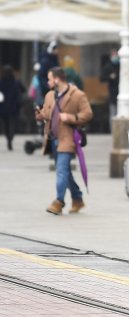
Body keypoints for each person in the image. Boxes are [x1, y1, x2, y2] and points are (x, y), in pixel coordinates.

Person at [35, 67, 93, 215]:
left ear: (57, 79)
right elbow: (48, 113)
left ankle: (59, 201)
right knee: (65, 172)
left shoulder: (77, 95)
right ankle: (77, 198)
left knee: (61, 170)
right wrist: (40, 114)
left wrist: (71, 117)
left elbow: (88, 114)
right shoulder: (49, 95)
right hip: (53, 138)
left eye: (49, 79)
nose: (48, 82)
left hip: (67, 138)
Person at [0, 65, 21, 151]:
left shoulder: (1, 82)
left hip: (3, 106)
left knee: (5, 124)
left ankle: (8, 138)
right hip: (13, 106)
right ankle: (10, 138)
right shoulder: (15, 82)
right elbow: (18, 94)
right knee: (12, 124)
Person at [100, 49, 120, 129]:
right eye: (114, 55)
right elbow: (102, 78)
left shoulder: (121, 65)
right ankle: (113, 129)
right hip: (113, 92)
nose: (115, 57)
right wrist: (110, 77)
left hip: (121, 92)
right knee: (113, 112)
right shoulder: (108, 66)